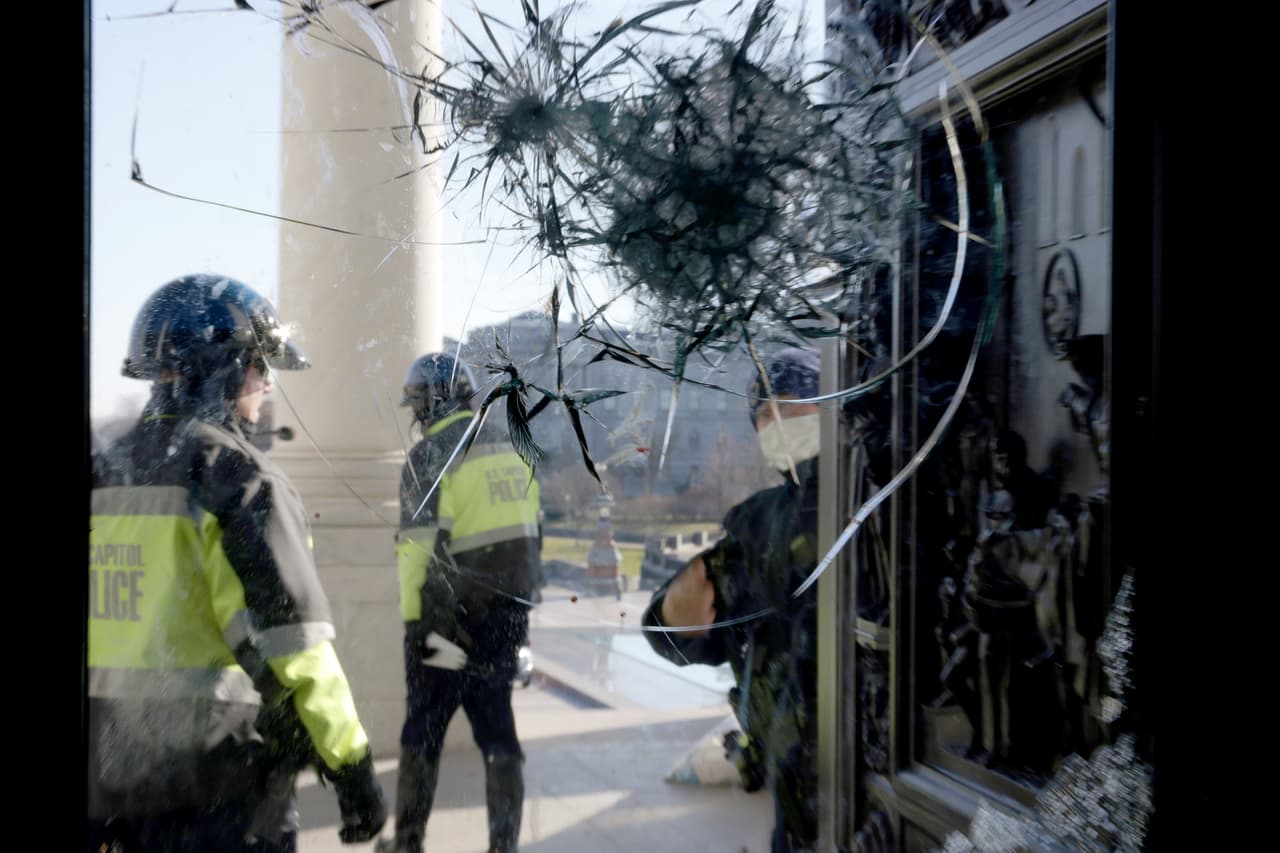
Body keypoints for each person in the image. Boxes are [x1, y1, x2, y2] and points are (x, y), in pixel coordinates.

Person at [88, 274, 387, 852]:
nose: (267, 384)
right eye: (259, 366)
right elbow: (293, 648)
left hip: (105, 782)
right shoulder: (237, 478)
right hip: (216, 788)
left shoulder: (103, 469)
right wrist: (350, 766)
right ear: (224, 369)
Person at [642, 346, 823, 852]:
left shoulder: (879, 495)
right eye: (764, 415)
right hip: (799, 794)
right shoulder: (759, 524)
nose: (775, 425)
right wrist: (671, 619)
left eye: (790, 407)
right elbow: (680, 615)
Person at [378, 353, 542, 853]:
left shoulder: (431, 455)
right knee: (499, 736)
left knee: (422, 732)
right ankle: (504, 844)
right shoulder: (515, 447)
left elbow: (417, 552)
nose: (415, 415)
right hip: (506, 621)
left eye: (416, 405)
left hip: (446, 625)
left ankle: (407, 844)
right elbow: (534, 538)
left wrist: (416, 628)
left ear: (429, 402)